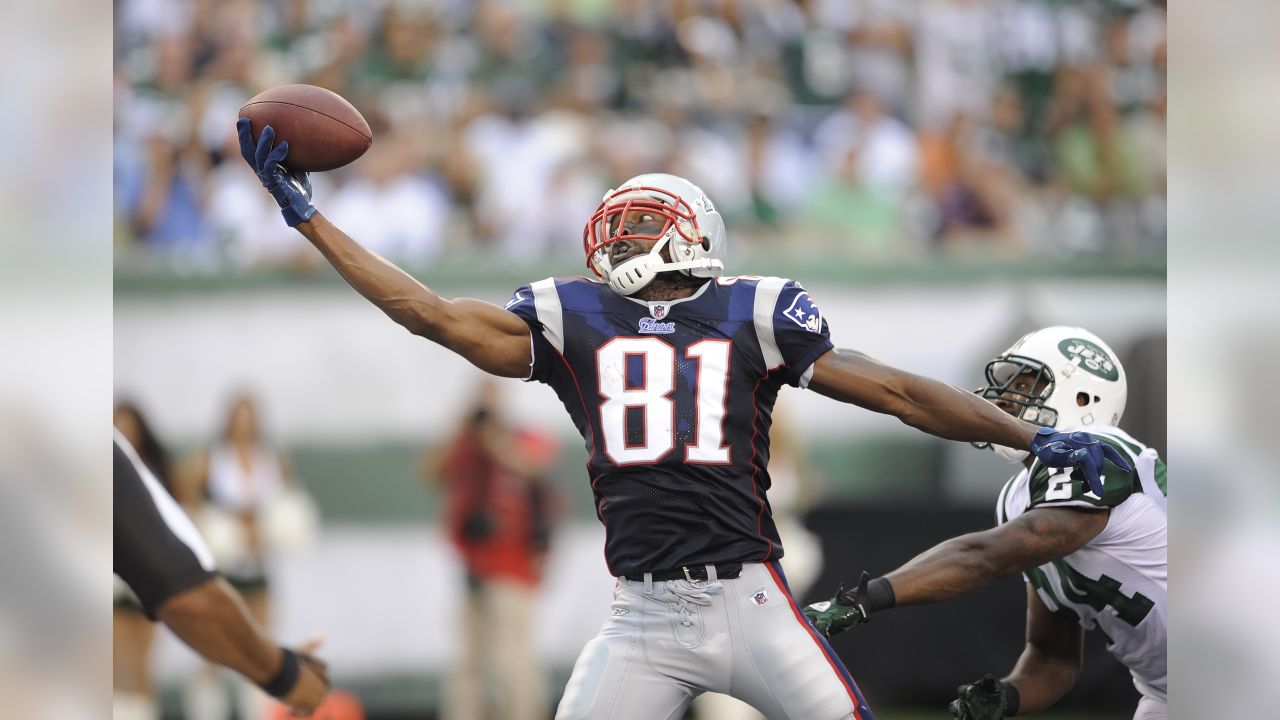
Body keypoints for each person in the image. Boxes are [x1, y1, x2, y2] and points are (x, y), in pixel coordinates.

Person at [235, 118, 1128, 720]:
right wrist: (311, 219)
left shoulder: (756, 310)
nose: (612, 245)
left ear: (686, 233)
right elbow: (429, 312)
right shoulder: (569, 316)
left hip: (753, 596)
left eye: (634, 228)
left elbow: (894, 390)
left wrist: (1030, 436)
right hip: (643, 615)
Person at [804, 327, 1166, 719]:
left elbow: (984, 558)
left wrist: (865, 598)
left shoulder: (1099, 453)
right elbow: (1053, 658)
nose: (1007, 397)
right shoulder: (1019, 497)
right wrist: (1006, 698)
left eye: (1027, 383)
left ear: (1083, 399)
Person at [113, 429, 330, 716]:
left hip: (251, 566)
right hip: (212, 575)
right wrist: (287, 674)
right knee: (131, 665)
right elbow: (183, 595)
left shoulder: (271, 456)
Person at [426, 378, 560, 720]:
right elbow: (430, 472)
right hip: (474, 565)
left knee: (513, 660)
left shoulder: (520, 438)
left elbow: (535, 463)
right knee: (469, 662)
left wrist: (495, 441)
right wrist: (462, 429)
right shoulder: (466, 445)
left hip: (515, 566)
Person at [180, 391, 314, 720]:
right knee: (214, 646)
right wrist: (222, 524)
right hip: (223, 566)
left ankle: (257, 712)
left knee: (261, 646)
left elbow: (285, 499)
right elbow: (188, 494)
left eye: (250, 416)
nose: (245, 424)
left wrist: (266, 528)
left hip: (259, 564)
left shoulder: (271, 458)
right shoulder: (212, 457)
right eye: (239, 416)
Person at [113, 401, 176, 720]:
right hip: (115, 579)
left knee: (141, 665)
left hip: (148, 578)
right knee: (116, 664)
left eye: (129, 427)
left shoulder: (154, 470)